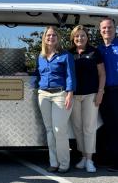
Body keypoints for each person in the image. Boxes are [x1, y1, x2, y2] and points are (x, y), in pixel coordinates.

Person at [34, 26, 75, 173]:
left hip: (60, 94)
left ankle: (64, 163)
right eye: (48, 35)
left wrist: (70, 93)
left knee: (59, 130)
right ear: (44, 38)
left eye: (54, 35)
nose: (51, 37)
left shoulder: (65, 55)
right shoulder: (41, 56)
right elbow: (37, 74)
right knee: (50, 130)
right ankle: (54, 162)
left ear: (58, 38)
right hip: (43, 95)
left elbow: (70, 75)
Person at [69, 25, 106, 173]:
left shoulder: (94, 52)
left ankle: (90, 160)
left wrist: (100, 92)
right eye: (77, 36)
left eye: (82, 35)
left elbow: (102, 74)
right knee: (77, 128)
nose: (80, 38)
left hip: (91, 95)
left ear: (87, 37)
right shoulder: (69, 53)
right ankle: (83, 157)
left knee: (89, 128)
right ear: (73, 38)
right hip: (74, 96)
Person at [97, 17, 118, 172]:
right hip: (104, 92)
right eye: (104, 28)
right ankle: (108, 159)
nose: (107, 30)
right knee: (107, 127)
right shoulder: (99, 50)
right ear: (100, 31)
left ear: (115, 29)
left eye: (109, 27)